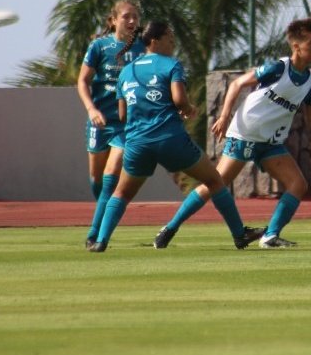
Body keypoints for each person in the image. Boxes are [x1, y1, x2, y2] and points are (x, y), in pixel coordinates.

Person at [154, 17, 311, 250]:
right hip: (246, 133)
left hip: (270, 142)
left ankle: (270, 236)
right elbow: (237, 85)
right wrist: (225, 117)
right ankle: (169, 229)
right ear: (296, 46)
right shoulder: (277, 68)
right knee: (215, 182)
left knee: (298, 184)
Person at [88, 21, 264, 252]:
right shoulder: (171, 65)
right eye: (169, 36)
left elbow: (122, 115)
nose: (173, 41)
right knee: (213, 180)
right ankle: (239, 234)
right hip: (170, 139)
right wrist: (188, 108)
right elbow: (179, 100)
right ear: (154, 41)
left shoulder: (126, 71)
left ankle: (100, 241)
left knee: (121, 193)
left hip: (137, 143)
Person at [78, 0, 146, 248]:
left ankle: (94, 234)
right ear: (113, 20)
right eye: (126, 16)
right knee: (96, 179)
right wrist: (91, 108)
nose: (131, 21)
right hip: (99, 121)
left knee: (110, 174)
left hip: (126, 124)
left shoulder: (142, 49)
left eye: (135, 17)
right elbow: (83, 81)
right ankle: (105, 217)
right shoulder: (99, 47)